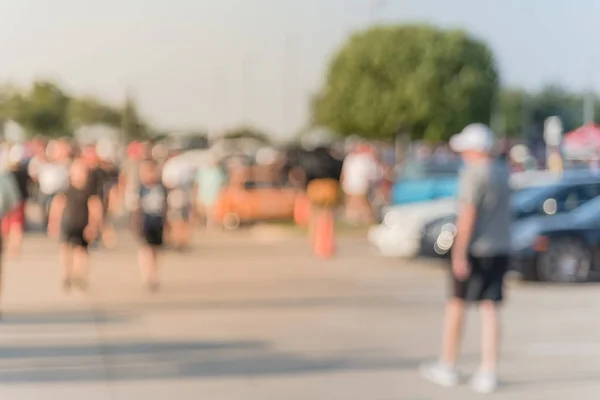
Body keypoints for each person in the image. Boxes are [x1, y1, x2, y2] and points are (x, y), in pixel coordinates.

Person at [420, 124, 511, 394]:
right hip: (500, 248)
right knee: (490, 309)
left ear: (474, 149)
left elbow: (467, 215)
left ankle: (448, 364)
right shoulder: (502, 172)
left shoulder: (473, 174)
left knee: (456, 306)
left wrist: (459, 252)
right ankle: (489, 369)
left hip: (475, 249)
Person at [48, 158, 103, 292]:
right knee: (65, 249)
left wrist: (93, 225)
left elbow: (95, 207)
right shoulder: (66, 189)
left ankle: (79, 276)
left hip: (83, 224)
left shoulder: (90, 190)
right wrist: (53, 223)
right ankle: (67, 274)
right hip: (68, 223)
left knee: (81, 251)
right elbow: (57, 205)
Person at [133, 159, 168, 292]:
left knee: (156, 250)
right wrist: (135, 222)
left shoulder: (161, 188)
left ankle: (154, 274)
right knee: (146, 249)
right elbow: (136, 206)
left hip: (157, 221)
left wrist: (167, 222)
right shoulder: (141, 188)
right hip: (145, 222)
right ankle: (147, 276)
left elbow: (165, 206)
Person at [2, 145, 30, 258]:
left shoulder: (7, 174)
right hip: (19, 201)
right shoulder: (23, 172)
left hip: (14, 201)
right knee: (16, 225)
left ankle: (11, 245)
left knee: (10, 224)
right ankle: (15, 247)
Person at [341, 144, 377, 225]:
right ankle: (354, 219)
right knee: (352, 202)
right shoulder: (350, 158)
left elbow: (370, 173)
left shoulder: (365, 158)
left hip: (361, 184)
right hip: (351, 183)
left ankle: (368, 219)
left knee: (363, 202)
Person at [194, 153, 225, 228]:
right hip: (204, 194)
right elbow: (197, 183)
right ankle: (205, 223)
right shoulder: (203, 171)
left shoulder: (217, 172)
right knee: (203, 210)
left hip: (213, 194)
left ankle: (210, 224)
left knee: (211, 211)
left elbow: (221, 183)